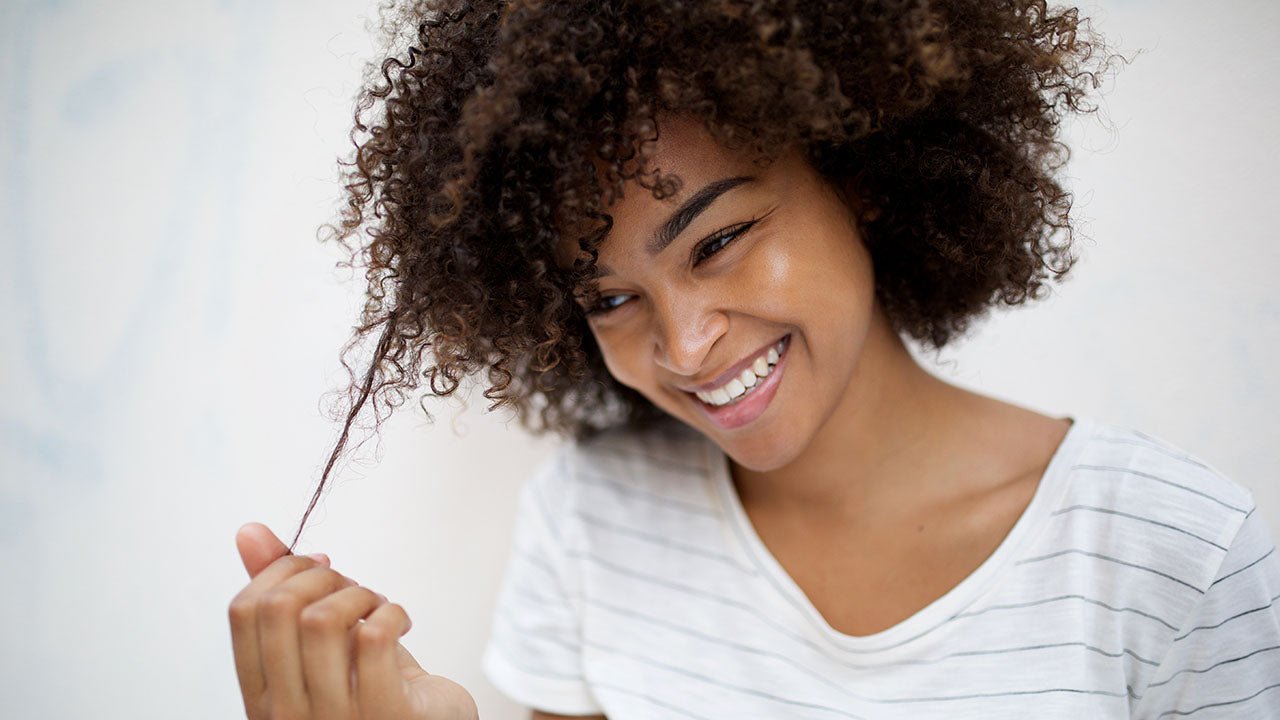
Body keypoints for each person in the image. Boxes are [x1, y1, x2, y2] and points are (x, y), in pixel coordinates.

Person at [228, 1, 1280, 718]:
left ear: (858, 169)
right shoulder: (590, 524)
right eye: (608, 298)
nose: (683, 345)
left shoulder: (1173, 559)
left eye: (718, 239)